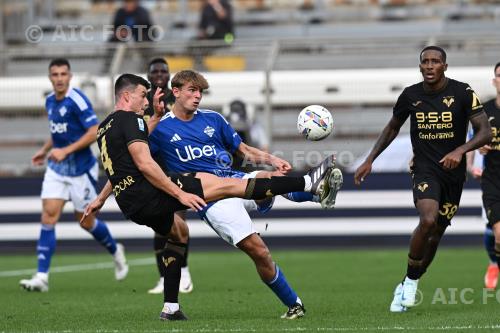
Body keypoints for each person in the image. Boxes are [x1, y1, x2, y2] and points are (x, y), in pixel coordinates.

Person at [83, 73, 339, 320]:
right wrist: (104, 196)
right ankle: (294, 303)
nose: (197, 97)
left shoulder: (213, 119)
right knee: (259, 251)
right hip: (208, 197)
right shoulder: (159, 129)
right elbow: (133, 162)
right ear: (177, 92)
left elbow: (243, 150)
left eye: (200, 92)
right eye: (192, 91)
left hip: (228, 178)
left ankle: (317, 192)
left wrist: (271, 159)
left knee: (260, 178)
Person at [354, 46, 492, 312]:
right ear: (420, 67)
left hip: (453, 174)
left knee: (436, 233)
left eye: (435, 62)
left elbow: (485, 131)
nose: (430, 66)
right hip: (425, 169)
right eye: (425, 62)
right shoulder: (411, 95)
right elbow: (392, 127)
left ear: (445, 66)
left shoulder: (462, 92)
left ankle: (409, 279)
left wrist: (460, 150)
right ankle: (411, 284)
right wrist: (370, 159)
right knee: (427, 220)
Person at [19, 58, 128, 292]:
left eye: (63, 74)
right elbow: (58, 133)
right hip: (57, 171)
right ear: (50, 77)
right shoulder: (50, 101)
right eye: (55, 74)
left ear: (69, 76)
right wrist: (45, 150)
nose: (59, 78)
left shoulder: (77, 100)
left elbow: (94, 131)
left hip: (81, 170)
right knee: (49, 216)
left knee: (86, 221)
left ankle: (115, 249)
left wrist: (65, 151)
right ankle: (41, 277)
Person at [144, 58, 194, 295]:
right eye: (155, 71)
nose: (160, 74)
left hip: (177, 167)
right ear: (148, 74)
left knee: (178, 221)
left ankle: (183, 272)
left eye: (164, 71)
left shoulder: (178, 100)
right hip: (154, 169)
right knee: (159, 225)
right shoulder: (143, 103)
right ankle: (163, 278)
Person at [476, 61, 500, 290]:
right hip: (492, 179)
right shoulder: (485, 111)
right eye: (499, 75)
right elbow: (470, 140)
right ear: (494, 81)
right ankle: (494, 263)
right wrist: (473, 162)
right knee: (493, 231)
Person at [466, 142, 498, 289]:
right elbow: (473, 139)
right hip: (492, 180)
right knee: (492, 227)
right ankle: (493, 264)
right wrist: (471, 166)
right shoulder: (485, 119)